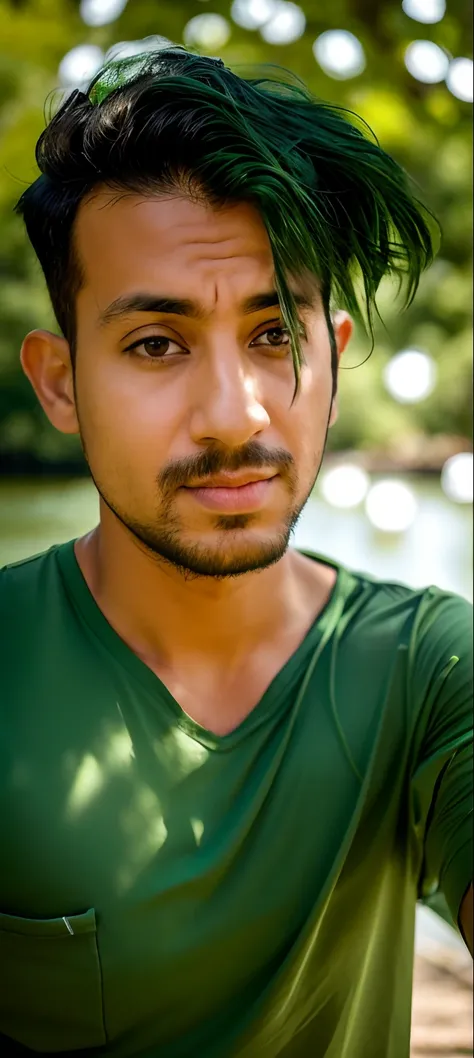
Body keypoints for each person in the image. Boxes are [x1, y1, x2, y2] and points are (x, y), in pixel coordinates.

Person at [1, 44, 471, 1058]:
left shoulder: (429, 669)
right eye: (157, 343)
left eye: (273, 334)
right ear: (60, 381)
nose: (235, 413)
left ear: (334, 351)